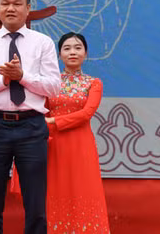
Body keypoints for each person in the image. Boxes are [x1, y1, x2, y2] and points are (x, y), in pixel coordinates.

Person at [0, 0, 62, 234]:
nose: (10, 8)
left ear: (28, 8)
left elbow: (54, 87)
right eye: (5, 3)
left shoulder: (42, 43)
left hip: (32, 127)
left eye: (17, 3)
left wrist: (22, 77)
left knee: (35, 203)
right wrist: (2, 81)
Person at [45, 32, 110, 232]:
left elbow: (86, 113)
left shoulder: (93, 83)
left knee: (84, 190)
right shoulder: (50, 82)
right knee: (55, 190)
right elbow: (41, 108)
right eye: (67, 48)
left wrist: (54, 121)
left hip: (81, 144)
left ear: (86, 53)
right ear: (59, 54)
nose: (72, 52)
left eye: (78, 47)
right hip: (53, 144)